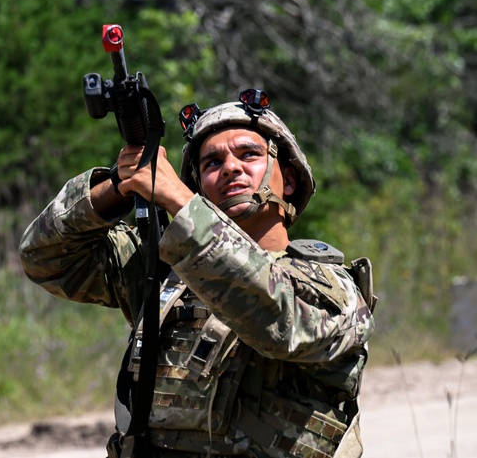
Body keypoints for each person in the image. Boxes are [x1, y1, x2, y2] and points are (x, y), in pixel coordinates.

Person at [19, 89, 376, 458]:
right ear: (200, 187)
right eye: (211, 163)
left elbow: (277, 317)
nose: (230, 168)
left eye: (249, 154)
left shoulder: (330, 286)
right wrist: (120, 187)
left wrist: (179, 202)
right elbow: (44, 257)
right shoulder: (166, 272)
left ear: (288, 179)